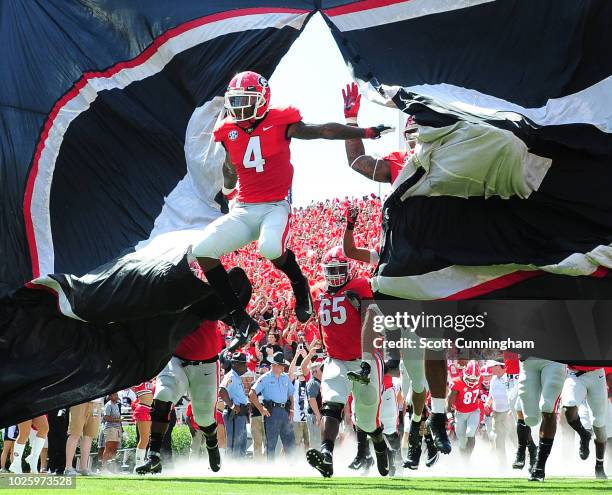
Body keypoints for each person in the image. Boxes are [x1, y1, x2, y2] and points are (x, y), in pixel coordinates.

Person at [193, 70, 391, 348]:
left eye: (244, 101)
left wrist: (365, 132)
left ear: (262, 100)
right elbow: (229, 166)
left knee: (271, 248)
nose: (238, 108)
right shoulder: (227, 130)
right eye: (234, 102)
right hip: (244, 206)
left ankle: (300, 286)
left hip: (274, 205)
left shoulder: (280, 121)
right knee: (202, 249)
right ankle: (240, 319)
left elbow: (323, 130)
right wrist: (228, 192)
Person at [340, 82, 450, 455]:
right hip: (403, 262)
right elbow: (357, 163)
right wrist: (352, 121)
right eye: (414, 133)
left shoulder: (454, 161)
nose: (420, 138)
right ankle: (391, 366)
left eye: (426, 131)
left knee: (433, 351)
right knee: (412, 375)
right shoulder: (401, 165)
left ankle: (435, 416)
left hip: (436, 262)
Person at [305, 247, 387, 478]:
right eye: (331, 270)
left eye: (340, 269)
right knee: (331, 404)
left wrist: (368, 358)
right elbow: (307, 315)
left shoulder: (360, 285)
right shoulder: (317, 290)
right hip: (336, 359)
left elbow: (375, 320)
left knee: (367, 418)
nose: (335, 274)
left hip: (364, 357)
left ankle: (379, 444)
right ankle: (326, 455)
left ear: (348, 268)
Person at [136, 320, 224, 475]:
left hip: (207, 362)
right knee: (163, 393)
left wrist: (244, 326)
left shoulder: (212, 296)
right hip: (175, 357)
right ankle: (154, 455)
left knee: (203, 418)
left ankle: (211, 442)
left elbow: (236, 312)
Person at [518, 357, 567, 481]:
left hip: (554, 357)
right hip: (528, 359)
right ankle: (532, 450)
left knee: (547, 406)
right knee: (530, 418)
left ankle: (539, 467)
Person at [561, 364, 608, 479]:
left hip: (597, 374)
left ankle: (599, 465)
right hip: (574, 373)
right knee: (569, 408)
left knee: (598, 423)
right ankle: (584, 435)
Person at [249, 351, 296, 460]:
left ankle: (292, 467)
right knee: (271, 443)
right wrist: (261, 409)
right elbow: (252, 393)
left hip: (285, 411)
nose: (283, 368)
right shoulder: (265, 378)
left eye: (282, 366)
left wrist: (292, 409)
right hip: (272, 412)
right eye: (281, 365)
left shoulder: (285, 378)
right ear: (274, 365)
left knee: (290, 442)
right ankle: (270, 468)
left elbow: (291, 394)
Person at [447, 360, 482, 457]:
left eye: (475, 379)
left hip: (474, 411)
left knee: (470, 432)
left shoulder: (481, 378)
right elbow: (448, 402)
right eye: (470, 379)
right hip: (460, 414)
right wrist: (450, 418)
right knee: (462, 442)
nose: (472, 381)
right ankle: (464, 461)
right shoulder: (457, 382)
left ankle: (468, 458)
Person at [219, 352, 250, 458]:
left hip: (240, 414)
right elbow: (222, 391)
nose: (245, 367)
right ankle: (231, 467)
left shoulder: (236, 377)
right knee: (233, 444)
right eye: (243, 364)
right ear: (235, 364)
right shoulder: (231, 376)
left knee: (241, 443)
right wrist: (232, 405)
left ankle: (240, 468)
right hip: (233, 415)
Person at [486, 361, 512, 465]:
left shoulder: (509, 378)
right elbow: (491, 396)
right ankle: (502, 464)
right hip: (497, 414)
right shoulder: (493, 379)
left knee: (514, 437)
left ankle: (526, 459)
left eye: (492, 367)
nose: (490, 369)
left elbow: (515, 394)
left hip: (509, 413)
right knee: (498, 439)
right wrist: (488, 403)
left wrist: (511, 410)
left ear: (498, 366)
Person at [131, 381, 154, 469]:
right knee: (144, 439)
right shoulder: (138, 379)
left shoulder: (150, 380)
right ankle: (138, 464)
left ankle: (148, 462)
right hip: (143, 409)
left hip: (150, 410)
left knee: (150, 439)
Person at [101, 393, 122, 472]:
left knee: (114, 448)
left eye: (117, 395)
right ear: (109, 396)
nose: (116, 396)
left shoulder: (116, 405)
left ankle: (111, 468)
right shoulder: (108, 405)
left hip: (117, 428)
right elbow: (106, 417)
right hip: (110, 428)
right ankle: (104, 468)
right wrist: (118, 420)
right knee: (108, 448)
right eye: (114, 395)